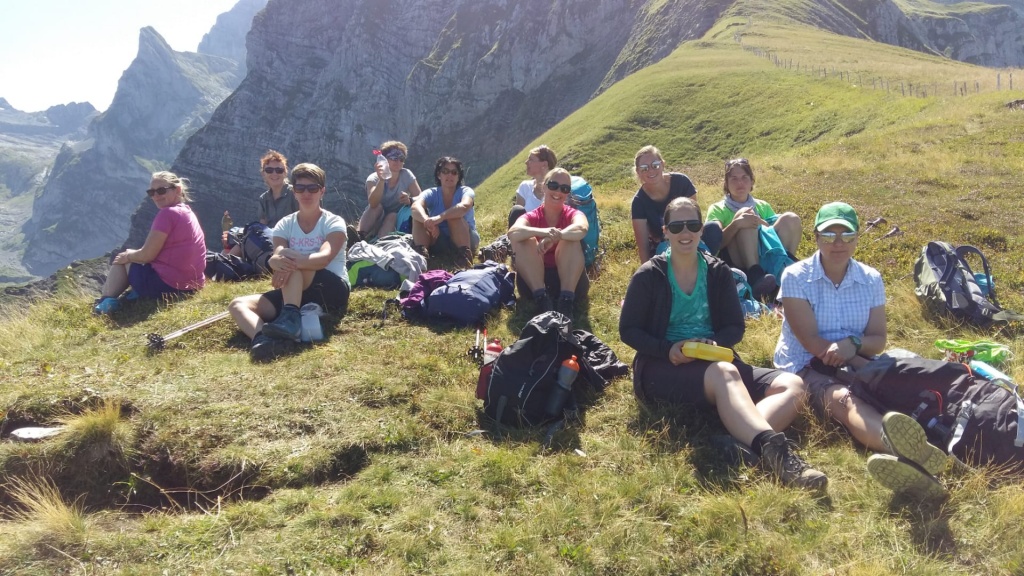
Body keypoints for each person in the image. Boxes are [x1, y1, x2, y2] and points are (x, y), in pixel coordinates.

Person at [620, 197, 827, 490]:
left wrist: (714, 342)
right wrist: (667, 349)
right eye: (677, 226)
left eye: (693, 225)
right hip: (661, 365)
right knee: (724, 372)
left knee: (793, 385)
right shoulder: (649, 275)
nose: (685, 232)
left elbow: (734, 327)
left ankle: (739, 443)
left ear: (701, 230)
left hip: (713, 358)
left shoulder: (717, 271)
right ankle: (780, 455)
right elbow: (628, 330)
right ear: (665, 232)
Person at [774, 202, 946, 498]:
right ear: (815, 238)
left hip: (856, 358)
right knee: (847, 401)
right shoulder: (795, 276)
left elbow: (877, 339)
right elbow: (812, 343)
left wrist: (853, 347)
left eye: (847, 235)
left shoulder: (870, 278)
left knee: (897, 388)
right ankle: (905, 451)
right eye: (829, 235)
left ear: (856, 238)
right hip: (806, 364)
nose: (838, 243)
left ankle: (922, 453)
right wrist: (856, 362)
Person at [228, 163, 351, 361]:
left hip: (332, 288)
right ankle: (265, 340)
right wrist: (275, 262)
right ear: (294, 192)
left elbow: (324, 258)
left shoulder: (333, 222)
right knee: (238, 304)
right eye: (300, 188)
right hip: (295, 289)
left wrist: (284, 262)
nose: (306, 193)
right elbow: (278, 254)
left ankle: (290, 319)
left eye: (312, 188)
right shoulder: (285, 224)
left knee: (293, 263)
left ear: (322, 191)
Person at [94, 171, 206, 314]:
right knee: (131, 256)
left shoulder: (167, 214)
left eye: (161, 190)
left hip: (170, 287)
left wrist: (127, 256)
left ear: (177, 190)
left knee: (122, 259)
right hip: (193, 285)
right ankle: (131, 295)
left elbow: (147, 255)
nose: (156, 196)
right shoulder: (187, 212)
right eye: (151, 192)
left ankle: (104, 304)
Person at [706, 158, 801, 300]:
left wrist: (761, 223)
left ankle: (786, 269)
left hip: (765, 255)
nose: (740, 183)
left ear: (751, 181)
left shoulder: (763, 206)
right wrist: (736, 224)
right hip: (737, 260)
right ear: (726, 183)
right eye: (734, 178)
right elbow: (715, 244)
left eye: (744, 177)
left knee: (791, 218)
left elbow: (771, 237)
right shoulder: (717, 209)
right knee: (745, 215)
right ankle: (755, 275)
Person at [507, 167, 589, 317]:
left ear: (568, 193)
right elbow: (513, 233)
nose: (558, 192)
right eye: (553, 185)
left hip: (571, 282)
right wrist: (544, 232)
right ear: (544, 187)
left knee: (571, 241)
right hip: (535, 282)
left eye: (564, 189)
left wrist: (557, 236)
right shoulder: (533, 216)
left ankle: (566, 302)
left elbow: (582, 228)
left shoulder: (573, 214)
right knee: (525, 241)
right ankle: (542, 301)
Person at [630, 145, 722, 262]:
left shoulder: (681, 182)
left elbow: (694, 219)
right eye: (644, 168)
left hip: (690, 235)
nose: (651, 170)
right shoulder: (638, 202)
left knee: (713, 229)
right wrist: (647, 271)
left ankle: (708, 263)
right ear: (638, 172)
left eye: (655, 165)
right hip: (664, 245)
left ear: (663, 164)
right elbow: (643, 245)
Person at [222, 150, 296, 257]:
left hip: (288, 241)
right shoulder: (264, 198)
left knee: (242, 242)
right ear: (263, 173)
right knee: (235, 242)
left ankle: (227, 262)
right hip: (269, 240)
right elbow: (262, 227)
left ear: (285, 172)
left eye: (279, 170)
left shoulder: (294, 194)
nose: (274, 174)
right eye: (269, 170)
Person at [410, 156, 479, 266]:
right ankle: (421, 256)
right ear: (439, 175)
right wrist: (427, 221)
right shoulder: (431, 193)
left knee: (454, 217)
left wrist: (440, 218)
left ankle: (464, 257)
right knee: (418, 218)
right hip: (439, 238)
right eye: (445, 171)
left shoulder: (465, 191)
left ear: (458, 177)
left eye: (454, 172)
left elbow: (464, 206)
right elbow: (415, 206)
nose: (449, 175)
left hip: (466, 237)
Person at [356, 141, 422, 239]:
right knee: (377, 207)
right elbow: (373, 203)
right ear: (384, 160)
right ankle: (359, 235)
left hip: (396, 220)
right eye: (394, 158)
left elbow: (421, 198)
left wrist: (409, 200)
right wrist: (382, 180)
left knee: (392, 216)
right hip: (375, 220)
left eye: (401, 159)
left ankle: (381, 242)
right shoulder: (373, 179)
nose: (398, 162)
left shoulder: (406, 175)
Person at [509, 145, 557, 228]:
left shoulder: (558, 190)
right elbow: (516, 219)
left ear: (544, 164)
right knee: (516, 210)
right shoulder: (525, 187)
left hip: (550, 233)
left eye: (531, 159)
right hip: (525, 233)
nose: (526, 162)